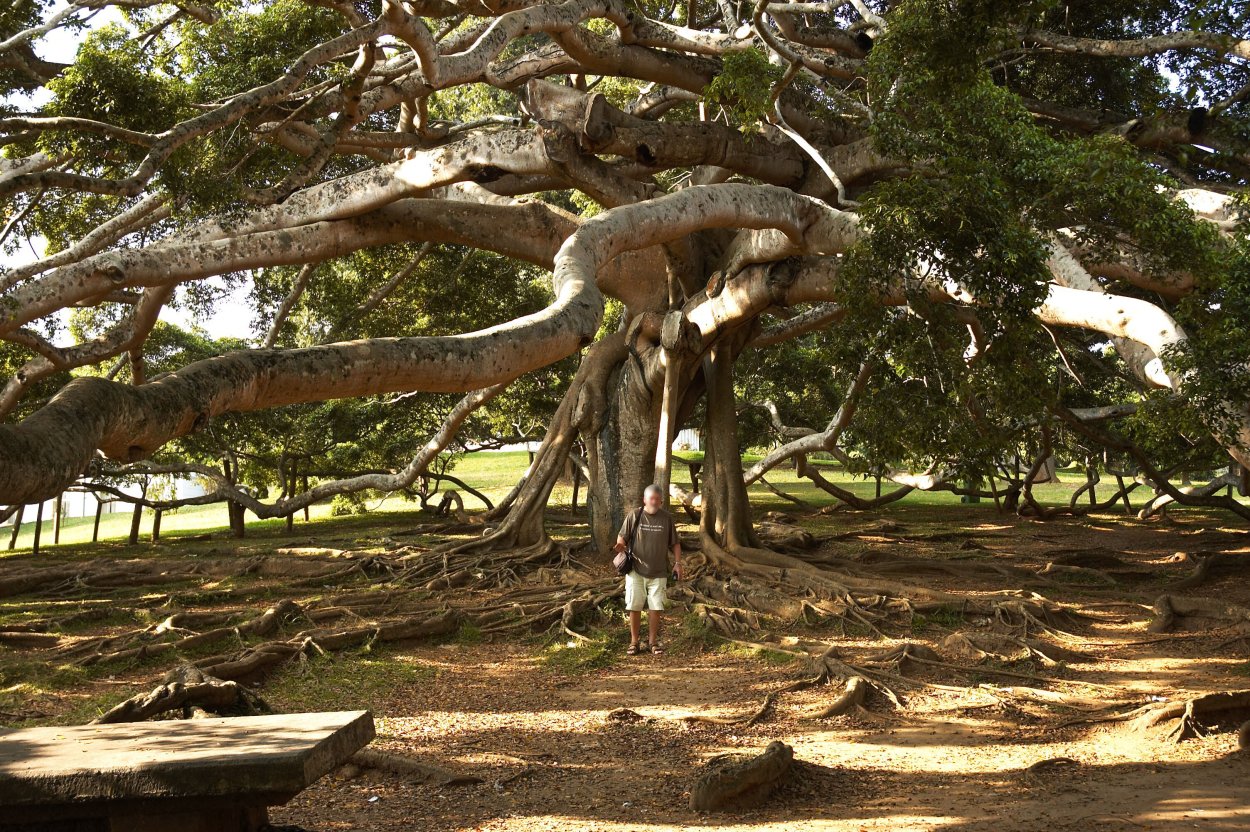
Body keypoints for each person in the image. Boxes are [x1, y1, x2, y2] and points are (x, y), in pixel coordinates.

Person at [614, 483, 682, 655]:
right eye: (651, 499)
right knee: (635, 606)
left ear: (661, 501)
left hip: (659, 571)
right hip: (635, 570)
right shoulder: (635, 515)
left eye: (657, 500)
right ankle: (634, 642)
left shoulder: (666, 518)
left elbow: (675, 543)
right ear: (644, 499)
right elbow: (622, 537)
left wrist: (678, 563)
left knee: (655, 607)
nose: (654, 502)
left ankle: (652, 642)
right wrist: (620, 546)